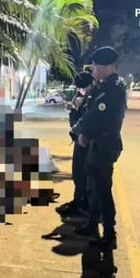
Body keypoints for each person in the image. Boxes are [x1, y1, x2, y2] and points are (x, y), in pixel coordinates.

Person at [70, 46, 127, 250]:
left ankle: (110, 235)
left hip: (104, 146)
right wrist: (83, 133)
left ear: (106, 66)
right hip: (95, 144)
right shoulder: (102, 86)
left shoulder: (113, 90)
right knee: (93, 188)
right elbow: (89, 110)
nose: (93, 69)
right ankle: (92, 225)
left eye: (95, 65)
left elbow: (95, 116)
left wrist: (79, 130)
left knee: (103, 191)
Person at [56, 70, 96, 217]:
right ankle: (81, 201)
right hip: (79, 140)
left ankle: (80, 203)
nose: (81, 91)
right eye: (79, 88)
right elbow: (75, 122)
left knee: (82, 174)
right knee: (78, 173)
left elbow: (84, 121)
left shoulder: (93, 98)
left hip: (86, 142)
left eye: (83, 88)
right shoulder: (80, 96)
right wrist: (73, 109)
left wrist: (75, 109)